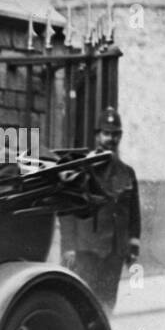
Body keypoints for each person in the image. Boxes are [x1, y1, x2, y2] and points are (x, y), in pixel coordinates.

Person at [59, 106, 140, 311]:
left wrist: (132, 247)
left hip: (115, 251)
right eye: (106, 134)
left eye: (115, 134)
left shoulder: (127, 172)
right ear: (97, 136)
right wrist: (68, 246)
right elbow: (68, 209)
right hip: (87, 249)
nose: (110, 139)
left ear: (120, 136)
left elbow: (134, 214)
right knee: (84, 303)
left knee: (108, 304)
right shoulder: (83, 168)